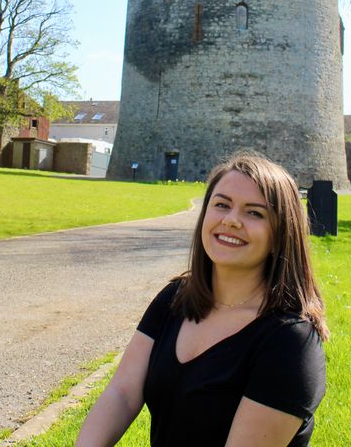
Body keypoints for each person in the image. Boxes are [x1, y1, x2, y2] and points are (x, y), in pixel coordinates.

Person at [76, 151, 328, 447]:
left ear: (281, 234)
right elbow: (122, 393)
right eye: (221, 205)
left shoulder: (290, 342)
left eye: (254, 212)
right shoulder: (176, 298)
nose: (231, 221)